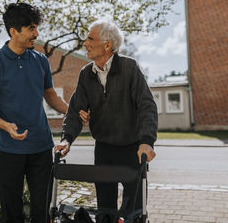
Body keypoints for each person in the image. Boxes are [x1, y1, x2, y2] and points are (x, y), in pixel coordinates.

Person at [55, 19, 158, 215]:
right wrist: (66, 139)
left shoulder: (129, 68)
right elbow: (76, 110)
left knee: (134, 211)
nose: (85, 43)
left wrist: (147, 141)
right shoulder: (86, 74)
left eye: (90, 39)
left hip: (132, 149)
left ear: (107, 45)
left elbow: (147, 106)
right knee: (105, 210)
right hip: (104, 149)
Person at [0, 3, 68, 223]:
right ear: (13, 31)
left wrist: (73, 112)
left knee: (42, 210)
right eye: (30, 28)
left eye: (36, 27)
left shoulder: (41, 61)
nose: (36, 34)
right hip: (9, 149)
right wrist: (6, 126)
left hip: (41, 147)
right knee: (12, 212)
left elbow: (51, 96)